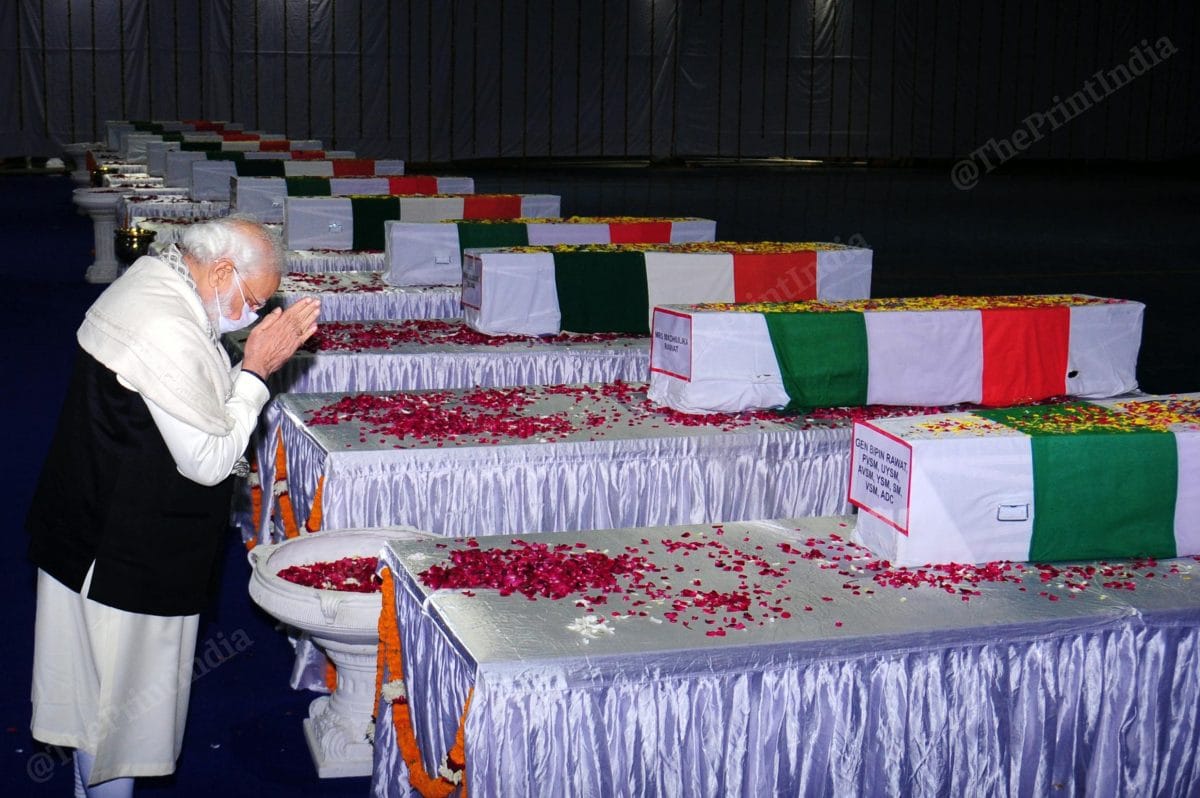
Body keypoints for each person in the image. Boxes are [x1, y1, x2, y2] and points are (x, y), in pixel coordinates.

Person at [26, 216, 320, 796]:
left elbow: (183, 403)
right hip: (124, 558)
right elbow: (210, 461)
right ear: (221, 271)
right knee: (119, 722)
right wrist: (257, 371)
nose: (254, 315)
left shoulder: (152, 282)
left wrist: (242, 367)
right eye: (256, 300)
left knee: (91, 702)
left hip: (83, 525)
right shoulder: (166, 326)